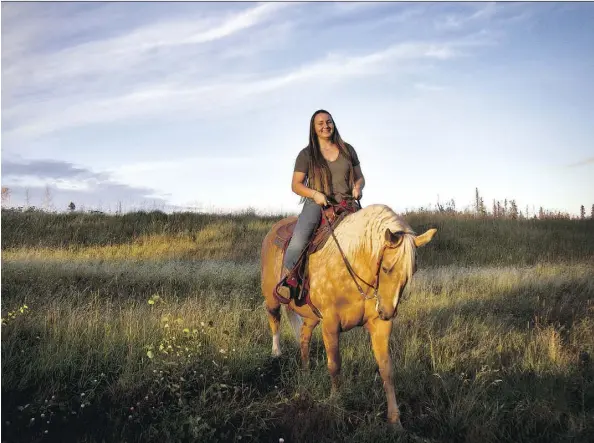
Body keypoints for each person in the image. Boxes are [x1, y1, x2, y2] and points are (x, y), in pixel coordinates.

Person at [281, 109, 365, 287]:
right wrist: (314, 194)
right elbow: (296, 184)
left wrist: (358, 187)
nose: (325, 126)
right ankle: (291, 282)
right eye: (320, 123)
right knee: (298, 242)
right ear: (313, 128)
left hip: (348, 202)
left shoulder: (347, 149)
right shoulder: (306, 154)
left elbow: (360, 177)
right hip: (317, 204)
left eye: (329, 122)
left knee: (371, 236)